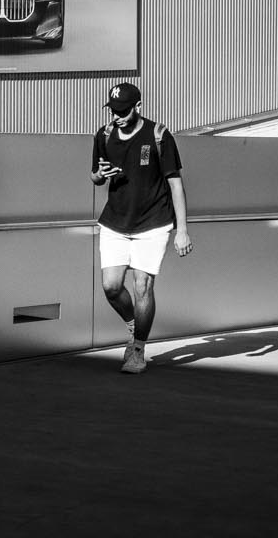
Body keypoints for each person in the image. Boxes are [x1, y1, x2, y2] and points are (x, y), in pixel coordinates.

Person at [92, 80, 192, 374]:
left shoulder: (159, 135)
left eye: (123, 110)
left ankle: (137, 350)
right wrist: (101, 174)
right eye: (113, 110)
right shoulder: (105, 134)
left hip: (153, 222)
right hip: (115, 221)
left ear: (138, 107)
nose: (117, 116)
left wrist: (182, 229)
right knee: (111, 287)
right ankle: (134, 324)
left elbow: (175, 184)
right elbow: (95, 177)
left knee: (142, 285)